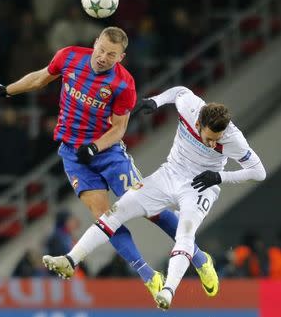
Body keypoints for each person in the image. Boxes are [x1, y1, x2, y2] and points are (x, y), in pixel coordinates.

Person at [0, 27, 216, 299]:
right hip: (73, 156)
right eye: (102, 49)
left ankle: (200, 259)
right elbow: (40, 78)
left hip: (107, 153)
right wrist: (7, 90)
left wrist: (95, 147)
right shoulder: (69, 57)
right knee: (104, 217)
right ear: (95, 43)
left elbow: (119, 129)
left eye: (112, 54)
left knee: (150, 208)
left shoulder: (123, 84)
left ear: (121, 57)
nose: (103, 57)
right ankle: (149, 275)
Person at [42, 86, 266, 310]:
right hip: (169, 174)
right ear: (197, 123)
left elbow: (259, 172)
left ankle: (168, 291)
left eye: (215, 140)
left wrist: (219, 176)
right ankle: (71, 260)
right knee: (118, 210)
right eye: (208, 138)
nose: (211, 144)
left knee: (185, 234)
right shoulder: (190, 106)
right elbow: (179, 91)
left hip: (201, 186)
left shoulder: (233, 139)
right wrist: (156, 101)